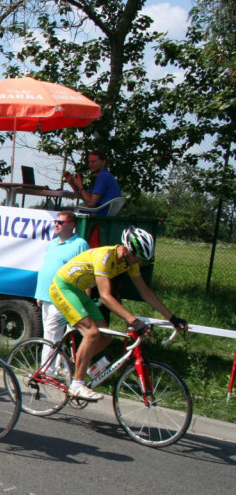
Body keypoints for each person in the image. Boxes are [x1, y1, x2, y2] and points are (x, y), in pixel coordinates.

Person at [49, 226, 187, 401]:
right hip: (63, 288)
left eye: (143, 260)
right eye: (138, 257)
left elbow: (145, 291)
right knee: (91, 333)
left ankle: (73, 368)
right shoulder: (105, 256)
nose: (139, 262)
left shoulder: (128, 262)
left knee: (106, 337)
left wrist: (172, 317)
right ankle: (77, 385)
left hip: (79, 291)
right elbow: (106, 297)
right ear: (126, 249)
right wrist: (133, 320)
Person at [34, 211, 88, 375]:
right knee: (51, 334)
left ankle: (46, 370)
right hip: (45, 295)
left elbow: (85, 272)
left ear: (71, 225)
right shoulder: (53, 243)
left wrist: (84, 297)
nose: (56, 224)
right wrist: (39, 295)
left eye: (61, 222)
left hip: (63, 296)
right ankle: (60, 366)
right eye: (55, 221)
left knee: (51, 334)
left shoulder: (79, 244)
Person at [63, 150, 122, 216]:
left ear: (103, 162)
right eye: (89, 162)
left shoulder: (103, 177)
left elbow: (90, 204)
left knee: (60, 211)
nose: (90, 164)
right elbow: (86, 199)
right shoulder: (105, 176)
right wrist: (71, 183)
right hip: (100, 213)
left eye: (93, 162)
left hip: (98, 214)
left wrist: (80, 185)